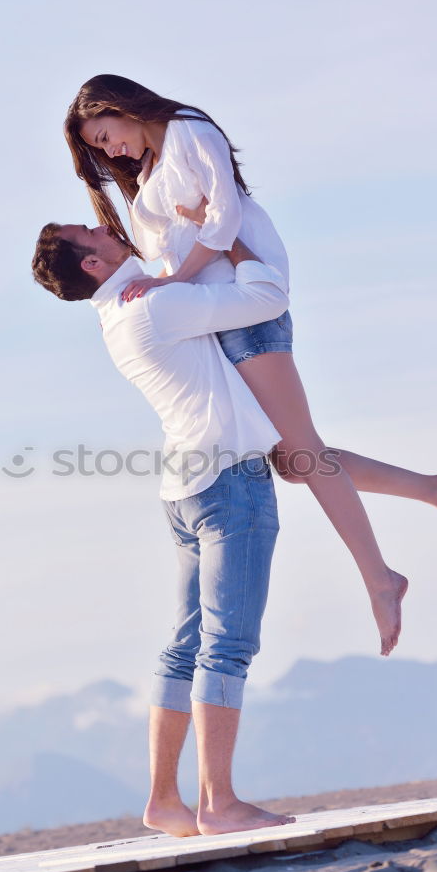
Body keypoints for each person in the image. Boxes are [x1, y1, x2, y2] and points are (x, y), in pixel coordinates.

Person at [64, 74, 437, 658]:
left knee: (302, 450)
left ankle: (380, 578)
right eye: (100, 150)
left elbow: (225, 218)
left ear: (121, 108)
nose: (110, 153)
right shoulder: (157, 166)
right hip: (218, 315)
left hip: (247, 303)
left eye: (105, 136)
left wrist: (173, 280)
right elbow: (184, 241)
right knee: (292, 459)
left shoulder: (188, 129)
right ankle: (435, 489)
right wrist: (166, 278)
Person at [32, 219, 298, 837]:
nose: (103, 224)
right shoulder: (155, 306)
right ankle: (220, 804)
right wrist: (231, 237)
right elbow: (268, 297)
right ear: (92, 264)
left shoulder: (120, 316)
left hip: (184, 489)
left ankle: (164, 801)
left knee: (184, 648)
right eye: (89, 232)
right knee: (227, 645)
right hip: (230, 479)